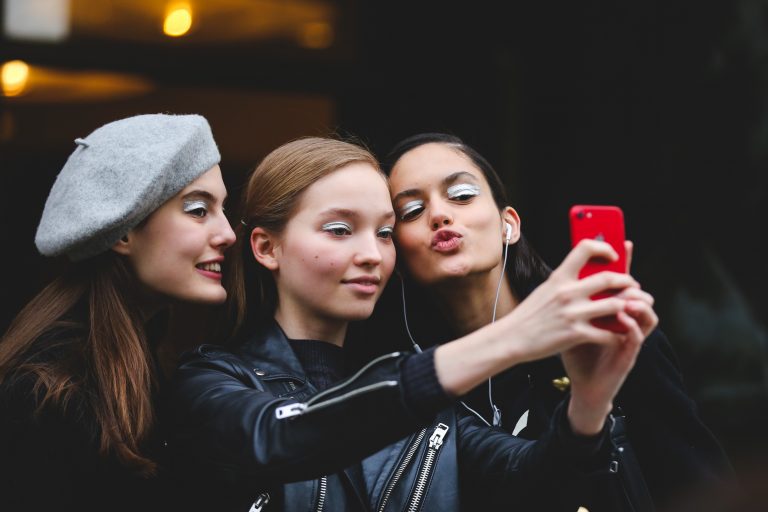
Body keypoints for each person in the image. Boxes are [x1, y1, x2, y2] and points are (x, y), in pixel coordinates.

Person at [167, 136, 659, 511]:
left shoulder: (421, 398)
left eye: (384, 232)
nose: (371, 254)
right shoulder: (209, 378)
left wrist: (591, 401)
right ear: (266, 248)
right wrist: (512, 335)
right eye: (340, 230)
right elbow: (281, 437)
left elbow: (532, 477)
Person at [374, 132, 735, 511]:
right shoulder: (415, 383)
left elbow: (699, 485)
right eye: (412, 211)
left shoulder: (601, 337)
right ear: (398, 256)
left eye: (462, 195)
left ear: (508, 225)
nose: (440, 215)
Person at [0, 113, 237, 512]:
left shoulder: (141, 361)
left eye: (223, 209)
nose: (227, 234)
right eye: (198, 210)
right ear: (122, 231)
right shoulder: (46, 394)